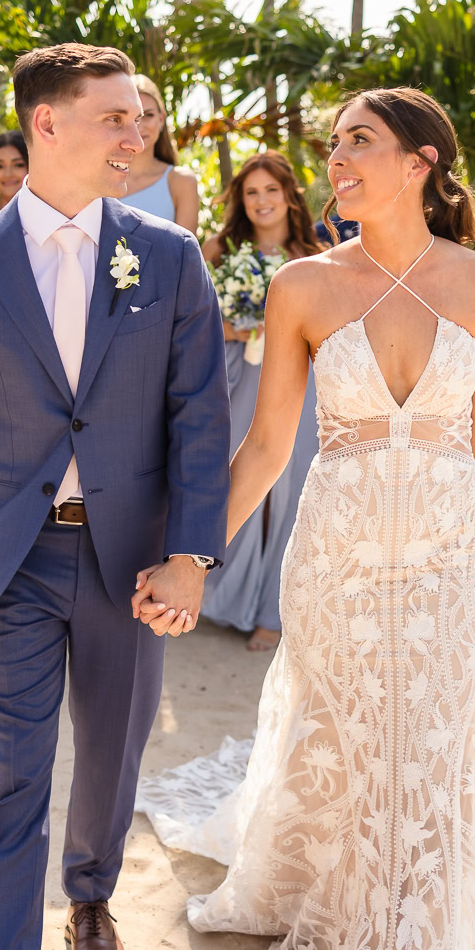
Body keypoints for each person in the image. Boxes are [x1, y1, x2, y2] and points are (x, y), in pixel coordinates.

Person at [139, 87, 475, 950]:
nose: (336, 161)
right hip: (340, 548)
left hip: (448, 549)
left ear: (420, 162)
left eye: (358, 143)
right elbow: (267, 444)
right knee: (351, 735)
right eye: (334, 146)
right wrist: (192, 555)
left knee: (437, 747)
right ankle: (348, 915)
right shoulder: (301, 285)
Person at [0, 44, 228, 950]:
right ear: (44, 125)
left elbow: (197, 416)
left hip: (130, 555)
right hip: (5, 556)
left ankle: (89, 895)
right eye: (112, 118)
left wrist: (188, 554)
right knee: (11, 774)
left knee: (110, 751)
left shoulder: (170, 255)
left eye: (137, 117)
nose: (134, 135)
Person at [198, 150, 329, 650]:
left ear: (288, 195)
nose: (261, 201)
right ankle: (218, 593)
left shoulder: (315, 252)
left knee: (292, 489)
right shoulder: (218, 249)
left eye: (270, 190)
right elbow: (194, 321)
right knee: (233, 479)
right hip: (233, 379)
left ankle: (275, 610)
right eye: (251, 192)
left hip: (298, 379)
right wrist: (241, 326)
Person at [117, 73, 201, 232]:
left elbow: (184, 253)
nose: (139, 126)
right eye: (132, 117)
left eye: (148, 115)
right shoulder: (98, 179)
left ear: (161, 120)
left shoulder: (181, 182)